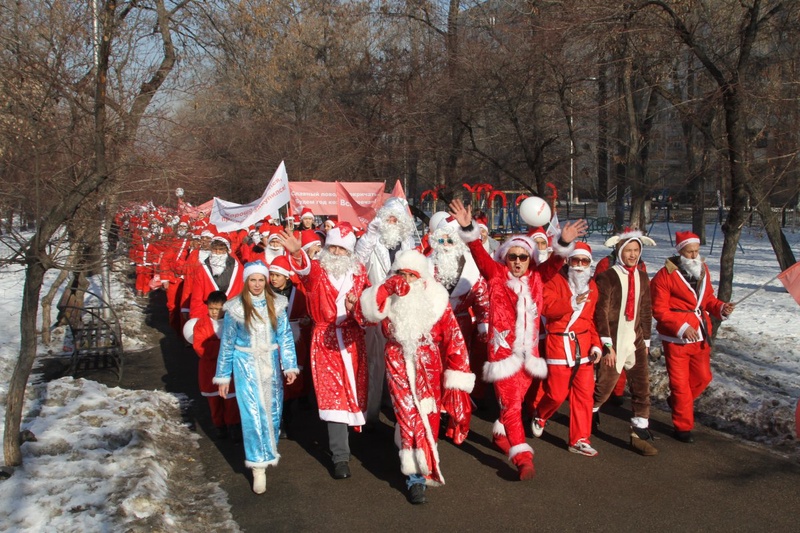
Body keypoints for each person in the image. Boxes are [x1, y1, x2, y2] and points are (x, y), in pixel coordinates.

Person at [449, 198, 587, 480]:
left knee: (514, 403)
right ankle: (523, 458)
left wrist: (563, 241)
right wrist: (469, 228)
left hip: (529, 356)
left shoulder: (537, 277)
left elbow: (556, 261)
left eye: (523, 257)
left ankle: (500, 436)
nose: (517, 262)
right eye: (512, 256)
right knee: (512, 406)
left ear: (530, 259)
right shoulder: (496, 275)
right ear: (505, 257)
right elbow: (478, 253)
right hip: (503, 357)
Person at [360, 250, 474, 504]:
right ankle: (416, 478)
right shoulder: (388, 296)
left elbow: (455, 339)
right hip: (397, 360)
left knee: (428, 417)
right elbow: (363, 315)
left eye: (412, 275)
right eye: (402, 274)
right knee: (408, 415)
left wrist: (458, 377)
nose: (407, 280)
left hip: (429, 364)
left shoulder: (437, 300)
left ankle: (423, 460)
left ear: (422, 278)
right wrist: (386, 287)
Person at [281, 222, 370, 480]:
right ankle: (340, 455)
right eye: (332, 248)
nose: (337, 253)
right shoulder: (318, 271)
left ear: (350, 252)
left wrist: (356, 309)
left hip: (352, 340)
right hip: (325, 340)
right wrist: (297, 253)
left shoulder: (359, 273)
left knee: (353, 393)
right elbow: (305, 272)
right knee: (333, 396)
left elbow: (368, 309)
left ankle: (350, 443)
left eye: (342, 249)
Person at [213, 261, 299, 495]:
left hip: (270, 365)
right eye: (253, 280)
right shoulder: (235, 308)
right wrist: (223, 376)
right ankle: (258, 467)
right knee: (252, 415)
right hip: (246, 366)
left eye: (261, 280)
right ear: (246, 281)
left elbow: (285, 336)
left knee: (272, 413)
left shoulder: (277, 304)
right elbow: (227, 343)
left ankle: (268, 450)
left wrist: (289, 365)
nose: (258, 284)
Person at [650, 231, 735, 443]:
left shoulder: (703, 269)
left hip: (700, 336)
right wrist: (681, 327)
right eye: (690, 252)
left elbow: (708, 299)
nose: (695, 255)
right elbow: (659, 309)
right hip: (676, 340)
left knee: (703, 378)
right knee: (680, 385)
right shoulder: (664, 276)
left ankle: (677, 402)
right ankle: (683, 427)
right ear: (680, 252)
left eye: (697, 251)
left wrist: (721, 308)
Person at [530, 242, 602, 457]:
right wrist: (571, 302)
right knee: (556, 394)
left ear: (590, 263)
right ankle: (541, 414)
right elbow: (546, 308)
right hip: (559, 343)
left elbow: (591, 320)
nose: (579, 265)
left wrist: (596, 344)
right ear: (569, 262)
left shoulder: (593, 287)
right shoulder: (554, 280)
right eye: (575, 260)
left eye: (584, 261)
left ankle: (579, 439)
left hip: (584, 345)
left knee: (584, 395)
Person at [592, 229, 657, 456]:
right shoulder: (607, 277)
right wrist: (607, 344)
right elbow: (600, 312)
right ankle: (590, 411)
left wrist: (646, 340)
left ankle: (639, 430)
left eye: (636, 250)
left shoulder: (642, 277)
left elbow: (646, 310)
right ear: (619, 251)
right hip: (614, 340)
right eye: (628, 250)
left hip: (635, 339)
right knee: (605, 387)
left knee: (642, 386)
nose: (632, 255)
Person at [355, 197, 417, 426]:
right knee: (375, 361)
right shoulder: (372, 242)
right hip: (376, 308)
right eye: (389, 218)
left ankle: (396, 405)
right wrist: (369, 236)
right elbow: (358, 262)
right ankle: (370, 411)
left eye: (396, 219)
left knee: (401, 360)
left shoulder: (408, 245)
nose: (392, 222)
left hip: (401, 311)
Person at [427, 215, 490, 412]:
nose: (446, 245)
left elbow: (482, 299)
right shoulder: (426, 266)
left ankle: (455, 405)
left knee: (458, 365)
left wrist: (484, 325)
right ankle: (436, 403)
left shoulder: (472, 268)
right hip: (433, 325)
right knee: (434, 364)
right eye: (441, 240)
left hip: (461, 325)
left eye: (451, 240)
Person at [184, 290, 242, 442]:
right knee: (215, 402)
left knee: (231, 401)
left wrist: (216, 345)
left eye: (218, 309)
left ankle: (233, 425)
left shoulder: (233, 322)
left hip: (230, 370)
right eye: (211, 309)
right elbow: (200, 348)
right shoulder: (201, 325)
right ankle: (219, 426)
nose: (214, 312)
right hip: (210, 370)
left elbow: (239, 342)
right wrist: (225, 346)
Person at [268, 255, 313, 438]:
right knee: (274, 382)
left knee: (292, 382)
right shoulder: (265, 293)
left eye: (277, 275)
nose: (273, 279)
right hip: (271, 342)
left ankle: (288, 414)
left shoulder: (298, 293)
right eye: (271, 275)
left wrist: (305, 320)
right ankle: (280, 421)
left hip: (294, 341)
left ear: (286, 276)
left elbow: (307, 313)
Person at [189, 235, 244, 319]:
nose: (217, 252)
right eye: (215, 249)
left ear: (227, 250)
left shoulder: (238, 268)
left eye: (221, 249)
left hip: (231, 313)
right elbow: (197, 297)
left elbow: (241, 292)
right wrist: (196, 317)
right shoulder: (202, 269)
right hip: (208, 312)